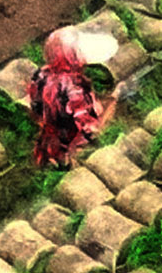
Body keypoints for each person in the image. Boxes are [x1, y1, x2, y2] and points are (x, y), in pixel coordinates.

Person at [26, 24, 117, 173]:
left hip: (48, 144)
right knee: (111, 103)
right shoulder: (74, 88)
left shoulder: (41, 75)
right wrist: (113, 102)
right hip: (71, 149)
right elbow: (90, 130)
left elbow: (35, 110)